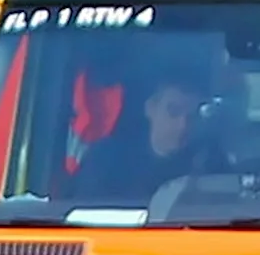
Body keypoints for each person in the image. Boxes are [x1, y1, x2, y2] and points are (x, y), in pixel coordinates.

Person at [73, 70, 225, 202]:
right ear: (150, 108)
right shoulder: (106, 159)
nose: (183, 125)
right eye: (173, 111)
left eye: (193, 116)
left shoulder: (211, 163)